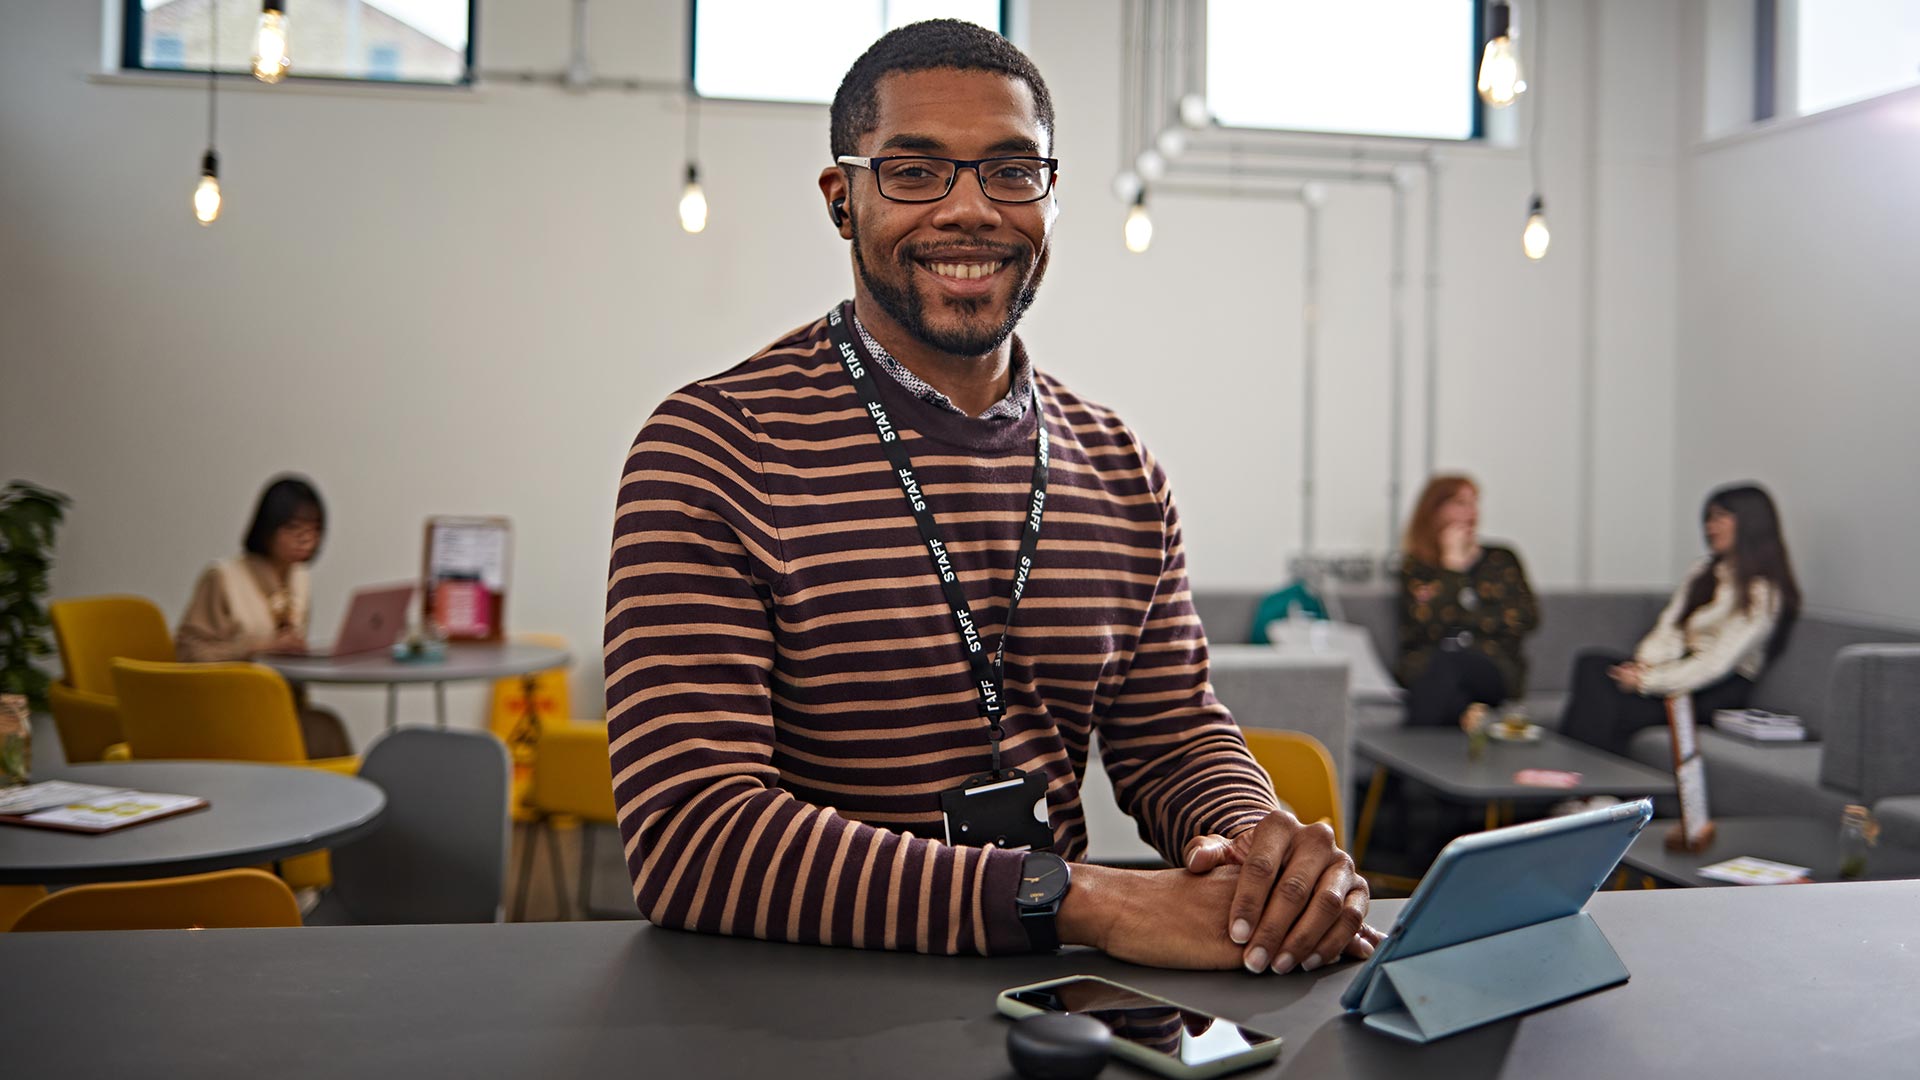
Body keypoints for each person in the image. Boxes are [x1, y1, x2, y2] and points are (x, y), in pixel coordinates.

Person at [604, 21, 1378, 974]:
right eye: (916, 172)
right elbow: (693, 839)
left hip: (1056, 1014)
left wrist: (1263, 855)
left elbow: (1173, 737)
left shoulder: (1118, 466)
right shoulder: (715, 448)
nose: (971, 211)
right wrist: (1083, 900)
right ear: (842, 200)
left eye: (1011, 172)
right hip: (801, 1017)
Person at [1558, 483, 1801, 756]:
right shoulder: (1703, 572)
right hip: (1677, 673)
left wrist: (1647, 682)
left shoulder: (1763, 592)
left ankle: (1574, 787)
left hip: (1716, 690)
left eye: (1720, 518)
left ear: (1750, 523)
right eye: (1708, 518)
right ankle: (1583, 788)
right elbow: (1670, 627)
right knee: (1592, 665)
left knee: (1606, 706)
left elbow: (1717, 662)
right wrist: (1644, 665)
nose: (1711, 527)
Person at [177, 474, 352, 758]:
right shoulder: (224, 577)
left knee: (325, 727)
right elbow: (188, 653)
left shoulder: (300, 578)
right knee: (322, 730)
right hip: (227, 710)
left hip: (280, 704)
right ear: (267, 528)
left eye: (315, 528)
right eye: (293, 527)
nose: (306, 537)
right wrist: (255, 650)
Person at [1394, 475, 1539, 730]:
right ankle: (1466, 719)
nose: (1471, 512)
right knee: (1448, 692)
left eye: (1474, 503)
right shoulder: (1416, 567)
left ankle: (1398, 770)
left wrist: (1460, 624)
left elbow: (1525, 617)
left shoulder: (1501, 559)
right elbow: (1423, 626)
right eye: (1460, 503)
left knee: (1448, 664)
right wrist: (1452, 568)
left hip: (1492, 667)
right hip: (1428, 667)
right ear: (1435, 511)